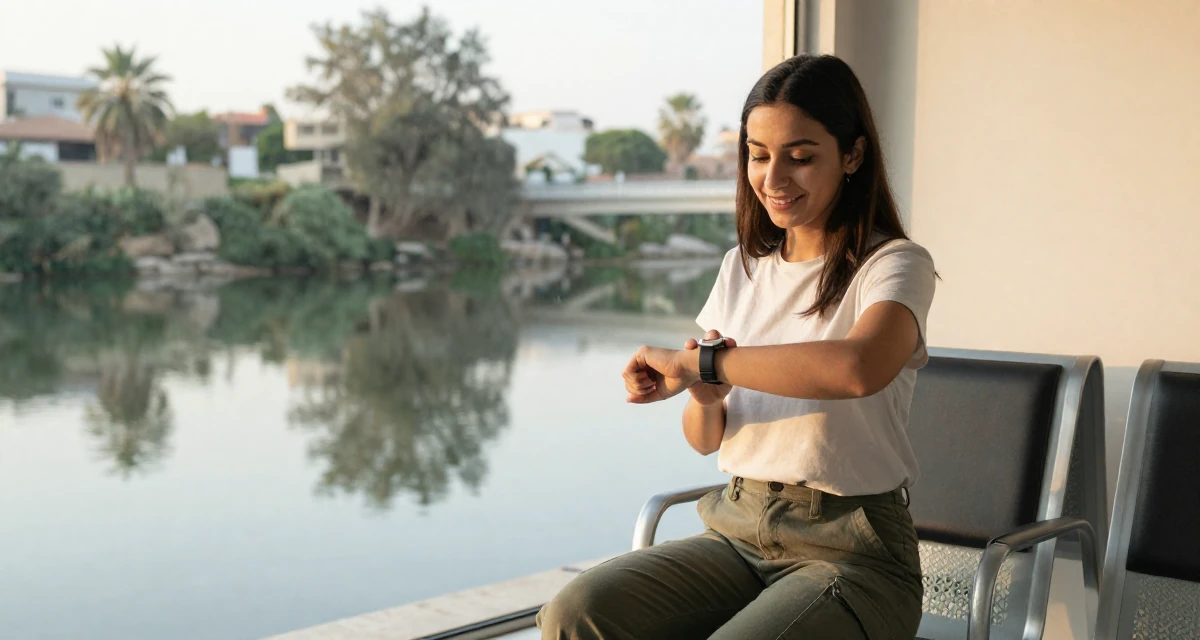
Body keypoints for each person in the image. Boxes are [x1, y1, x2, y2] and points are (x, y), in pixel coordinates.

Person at [537, 54, 937, 639]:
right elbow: (706, 439)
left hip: (853, 553)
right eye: (758, 155)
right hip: (737, 528)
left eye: (801, 157)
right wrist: (704, 393)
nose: (774, 179)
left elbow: (858, 368)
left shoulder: (895, 264)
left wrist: (701, 362)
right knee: (576, 613)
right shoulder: (741, 268)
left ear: (853, 155)